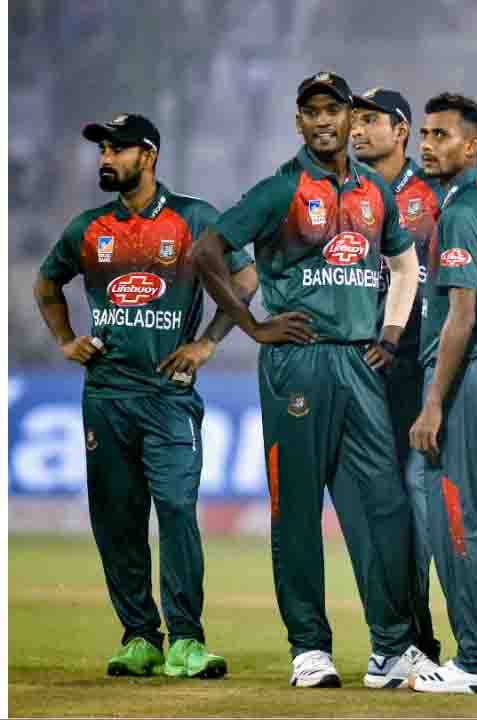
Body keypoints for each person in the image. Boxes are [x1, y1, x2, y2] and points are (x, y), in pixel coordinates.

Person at [192, 71, 423, 690]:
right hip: (299, 360)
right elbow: (206, 251)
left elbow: (405, 265)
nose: (323, 121)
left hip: (360, 363)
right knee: (296, 510)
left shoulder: (375, 190)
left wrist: (391, 334)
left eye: (333, 110)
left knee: (384, 506)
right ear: (299, 121)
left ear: (349, 118)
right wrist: (252, 326)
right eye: (311, 112)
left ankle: (390, 650)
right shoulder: (281, 188)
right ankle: (310, 649)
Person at [34, 113, 255, 680]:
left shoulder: (193, 218)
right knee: (117, 519)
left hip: (168, 397)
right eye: (103, 150)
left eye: (117, 149)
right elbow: (47, 282)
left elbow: (246, 278)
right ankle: (139, 637)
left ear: (148, 156)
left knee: (177, 510)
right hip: (105, 396)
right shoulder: (89, 228)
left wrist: (208, 342)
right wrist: (65, 340)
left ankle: (186, 640)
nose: (106, 159)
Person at [406, 93, 477, 695]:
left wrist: (433, 401)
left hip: (466, 372)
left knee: (456, 514)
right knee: (476, 514)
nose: (427, 145)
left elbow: (461, 315)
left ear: (471, 145)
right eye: (425, 134)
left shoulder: (460, 211)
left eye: (441, 135)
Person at [350, 86, 445, 668]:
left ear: (401, 130)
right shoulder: (345, 195)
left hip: (419, 370)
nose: (357, 130)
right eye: (354, 120)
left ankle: (424, 637)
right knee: (377, 508)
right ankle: (397, 639)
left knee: (419, 505)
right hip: (363, 372)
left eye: (370, 120)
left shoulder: (433, 196)